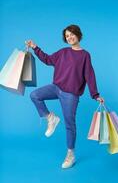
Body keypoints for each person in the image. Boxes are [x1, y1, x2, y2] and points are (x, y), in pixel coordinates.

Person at [25, 24, 104, 169]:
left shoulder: (85, 55)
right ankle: (51, 118)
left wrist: (95, 94)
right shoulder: (63, 52)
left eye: (71, 34)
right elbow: (48, 59)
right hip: (56, 88)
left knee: (70, 124)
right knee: (34, 95)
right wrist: (35, 47)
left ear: (78, 34)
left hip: (70, 94)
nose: (69, 37)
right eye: (67, 36)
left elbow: (89, 75)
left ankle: (70, 154)